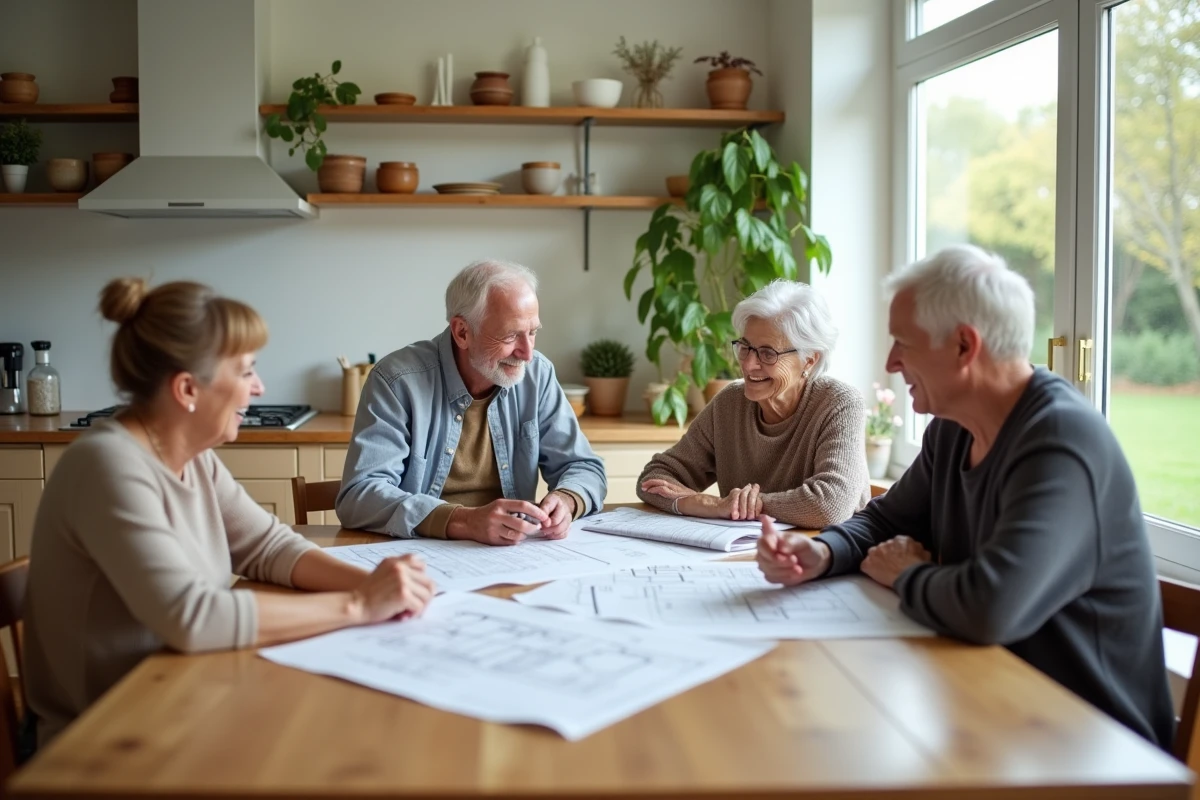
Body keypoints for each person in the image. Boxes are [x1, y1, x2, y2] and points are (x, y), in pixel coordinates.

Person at [757, 244, 1175, 749]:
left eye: (903, 342)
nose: (891, 362)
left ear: (963, 346)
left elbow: (990, 608)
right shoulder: (954, 427)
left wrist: (906, 574)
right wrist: (822, 552)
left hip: (1092, 742)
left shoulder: (1062, 442)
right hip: (994, 705)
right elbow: (886, 521)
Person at [22, 278, 435, 746]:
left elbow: (268, 547)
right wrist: (359, 606)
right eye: (245, 372)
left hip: (181, 695)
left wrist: (374, 585)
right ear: (187, 389)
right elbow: (193, 619)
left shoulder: (190, 455)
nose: (258, 387)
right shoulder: (108, 466)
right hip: (100, 738)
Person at [336, 259, 606, 544]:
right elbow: (359, 495)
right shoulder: (397, 381)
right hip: (419, 553)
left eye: (532, 332)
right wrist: (464, 520)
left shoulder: (537, 374)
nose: (527, 353)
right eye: (511, 335)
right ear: (462, 332)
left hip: (513, 553)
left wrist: (567, 499)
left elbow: (585, 467)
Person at [636, 280, 869, 528]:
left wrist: (739, 506)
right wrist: (708, 504)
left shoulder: (839, 404)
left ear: (809, 360)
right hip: (747, 547)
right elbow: (653, 479)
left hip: (826, 547)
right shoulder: (730, 403)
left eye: (768, 353)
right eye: (745, 347)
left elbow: (830, 505)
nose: (748, 365)